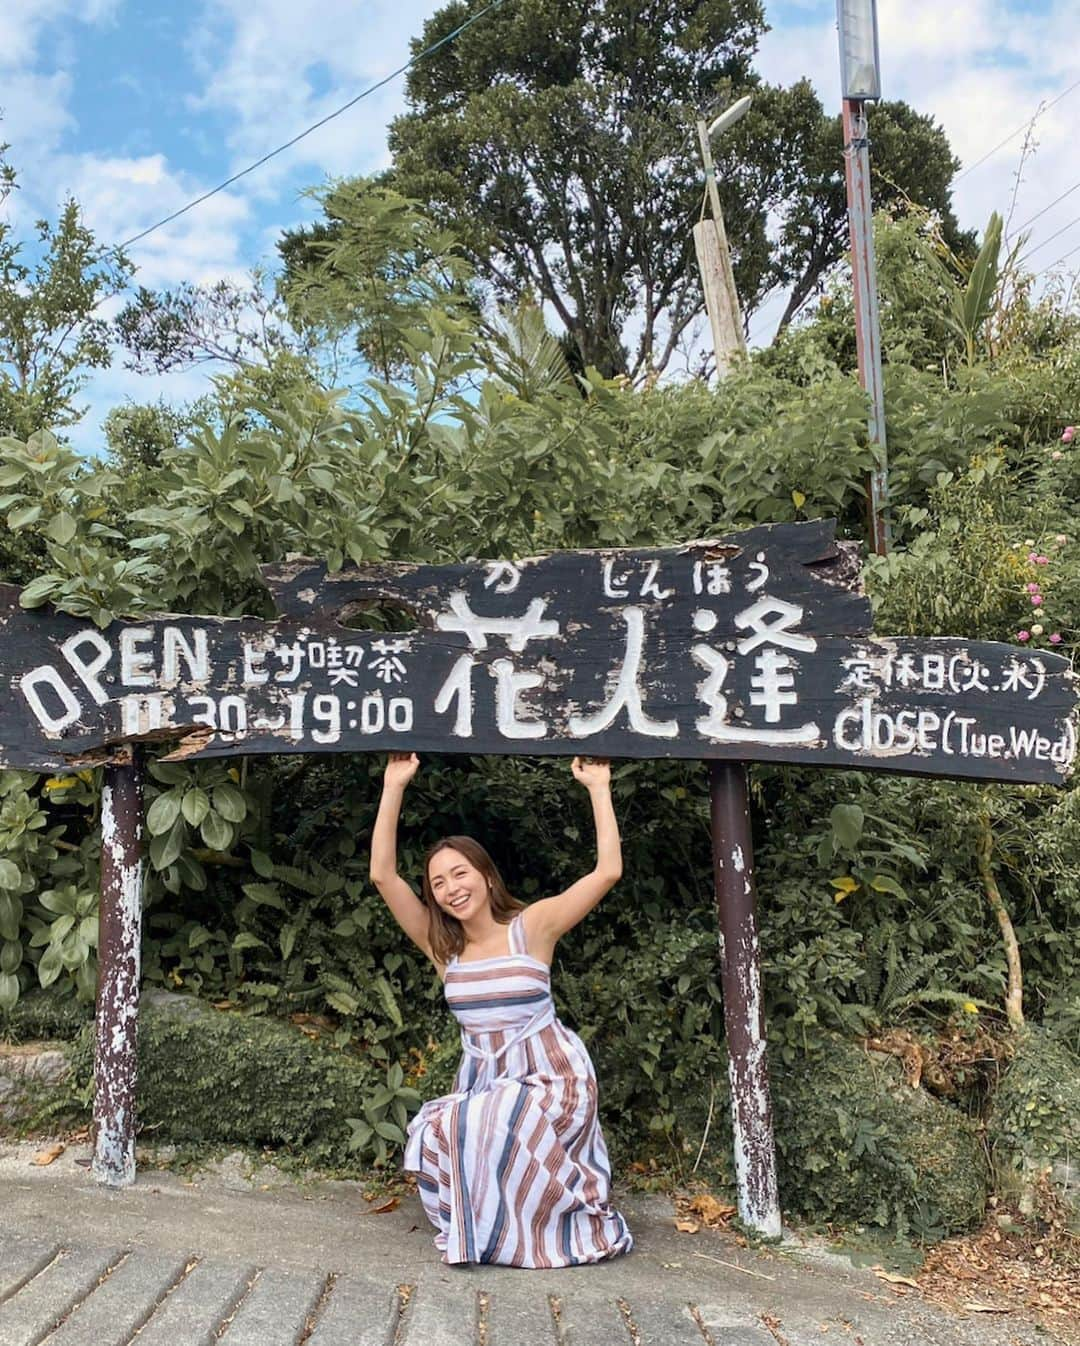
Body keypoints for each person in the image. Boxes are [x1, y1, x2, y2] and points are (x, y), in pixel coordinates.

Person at [369, 751, 633, 1268]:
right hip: (488, 1084)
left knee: (493, 1116)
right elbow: (382, 875)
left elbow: (607, 872)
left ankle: (544, 1232)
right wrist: (393, 784)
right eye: (438, 883)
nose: (450, 889)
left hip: (552, 1078)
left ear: (487, 877)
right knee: (435, 1126)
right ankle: (497, 1235)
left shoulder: (531, 928)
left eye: (460, 874)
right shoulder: (443, 948)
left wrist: (599, 787)